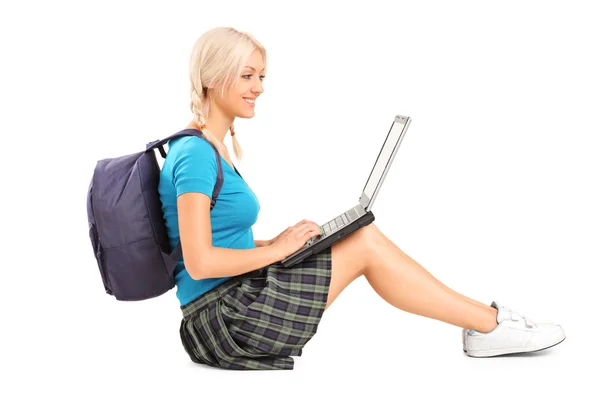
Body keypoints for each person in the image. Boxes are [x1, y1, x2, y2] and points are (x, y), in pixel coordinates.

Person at [158, 27, 566, 370]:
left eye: (262, 77)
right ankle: (490, 326)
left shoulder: (208, 147)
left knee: (357, 235)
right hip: (224, 321)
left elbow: (214, 239)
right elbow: (200, 261)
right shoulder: (195, 154)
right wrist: (276, 250)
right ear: (213, 77)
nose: (259, 88)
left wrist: (277, 244)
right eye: (248, 75)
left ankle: (486, 323)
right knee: (365, 243)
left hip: (230, 302)